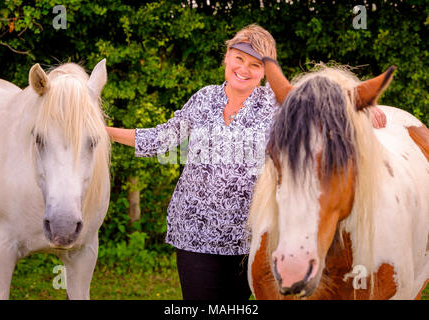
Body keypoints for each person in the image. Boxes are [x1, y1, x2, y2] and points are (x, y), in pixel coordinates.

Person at [106, 24, 386, 300]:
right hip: (194, 232)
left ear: (266, 72)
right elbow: (161, 139)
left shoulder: (280, 106)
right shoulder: (204, 99)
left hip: (249, 239)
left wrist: (360, 111)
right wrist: (103, 131)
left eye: (255, 64)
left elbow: (324, 114)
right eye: (239, 58)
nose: (244, 69)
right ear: (227, 57)